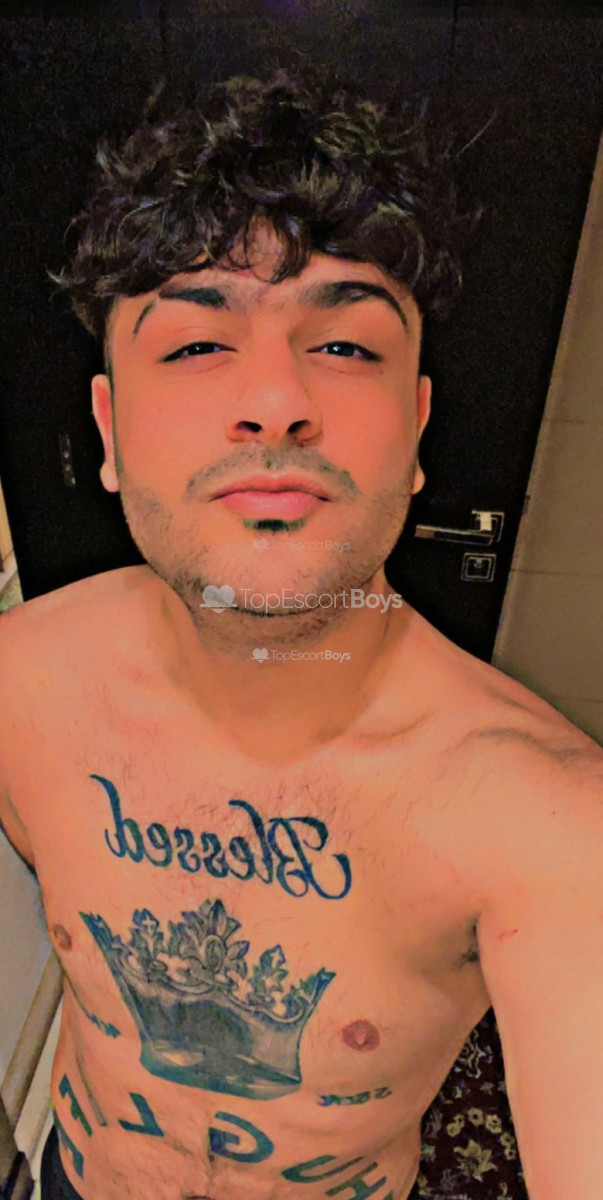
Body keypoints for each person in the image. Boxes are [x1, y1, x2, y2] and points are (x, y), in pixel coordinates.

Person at [0, 65, 602, 1200]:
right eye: (195, 345)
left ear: (414, 429)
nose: (276, 402)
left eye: (344, 347)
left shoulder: (553, 822)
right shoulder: (16, 686)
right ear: (109, 432)